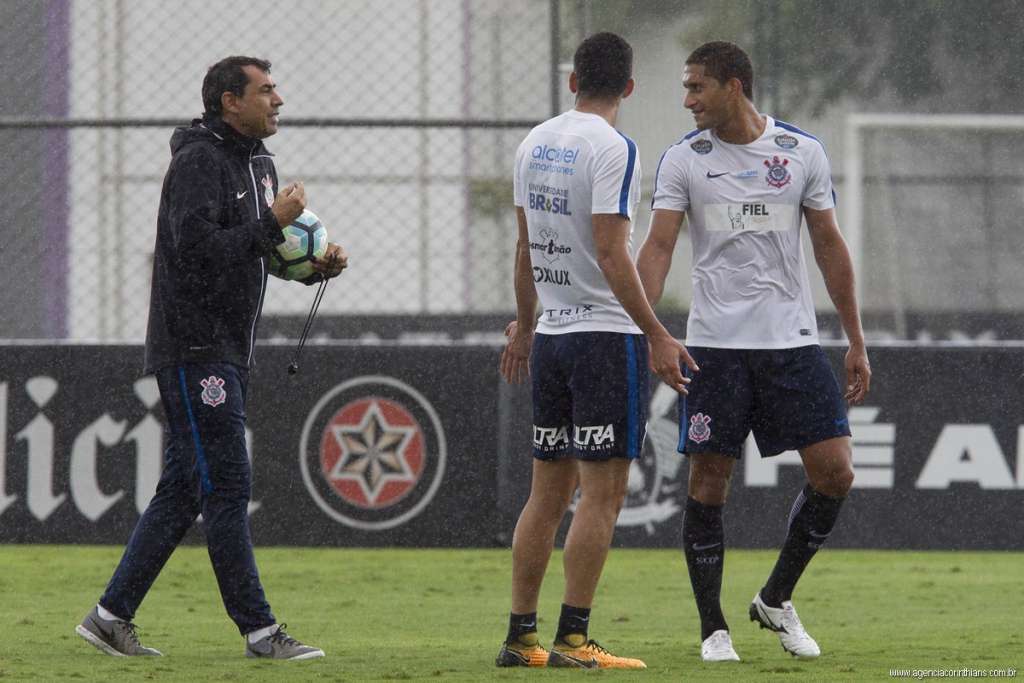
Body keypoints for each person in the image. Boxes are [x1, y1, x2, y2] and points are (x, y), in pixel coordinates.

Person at [75, 56, 347, 660]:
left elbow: (257, 251)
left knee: (182, 489)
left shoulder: (262, 165)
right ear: (230, 101)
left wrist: (309, 267)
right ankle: (259, 631)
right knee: (228, 483)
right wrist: (272, 223)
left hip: (227, 349)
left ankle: (109, 617)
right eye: (266, 90)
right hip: (193, 348)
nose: (279, 100)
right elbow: (193, 251)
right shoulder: (198, 161)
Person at [636, 41, 871, 662]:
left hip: (791, 345)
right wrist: (650, 327)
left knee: (836, 471)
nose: (687, 100)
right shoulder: (684, 160)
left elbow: (828, 246)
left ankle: (775, 598)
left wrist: (854, 336)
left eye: (697, 89)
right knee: (710, 479)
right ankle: (714, 628)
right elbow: (659, 246)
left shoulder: (801, 152)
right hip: (714, 347)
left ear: (733, 87)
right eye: (685, 89)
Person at [495, 32, 693, 671]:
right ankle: (575, 639)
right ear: (629, 87)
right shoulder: (615, 149)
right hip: (604, 339)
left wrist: (526, 325)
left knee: (545, 494)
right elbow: (612, 252)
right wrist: (657, 332)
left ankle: (521, 639)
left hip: (552, 336)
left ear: (572, 79)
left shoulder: (534, 141)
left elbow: (526, 248)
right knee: (603, 495)